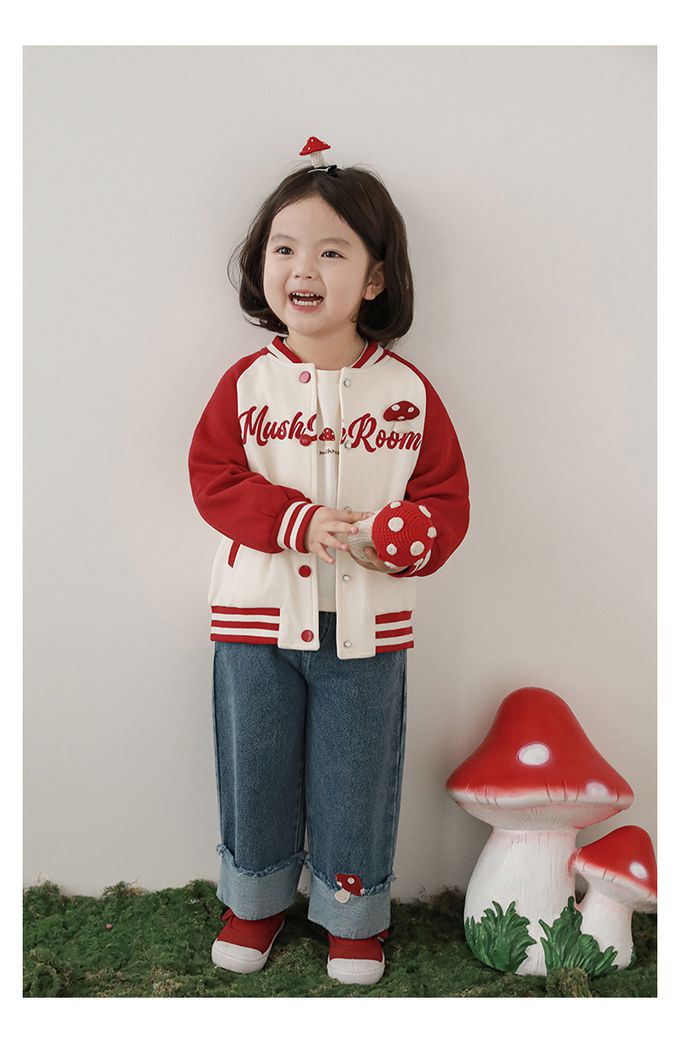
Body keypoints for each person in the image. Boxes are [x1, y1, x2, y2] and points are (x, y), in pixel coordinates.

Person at [188, 140, 470, 986]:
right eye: (284, 248)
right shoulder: (247, 384)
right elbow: (213, 478)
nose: (302, 268)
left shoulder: (407, 393)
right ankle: (255, 899)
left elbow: (446, 500)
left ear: (375, 279)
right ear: (261, 264)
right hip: (255, 617)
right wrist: (296, 520)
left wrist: (402, 536)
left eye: (331, 251)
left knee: (357, 773)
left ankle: (353, 913)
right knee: (257, 765)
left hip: (368, 625)